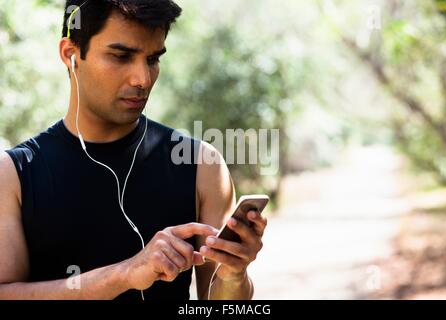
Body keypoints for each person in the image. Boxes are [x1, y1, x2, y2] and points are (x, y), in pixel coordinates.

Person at [0, 0, 267, 300]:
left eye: (153, 59)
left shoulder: (201, 165)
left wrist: (234, 274)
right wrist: (125, 274)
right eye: (121, 56)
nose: (142, 79)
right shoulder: (14, 175)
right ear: (70, 54)